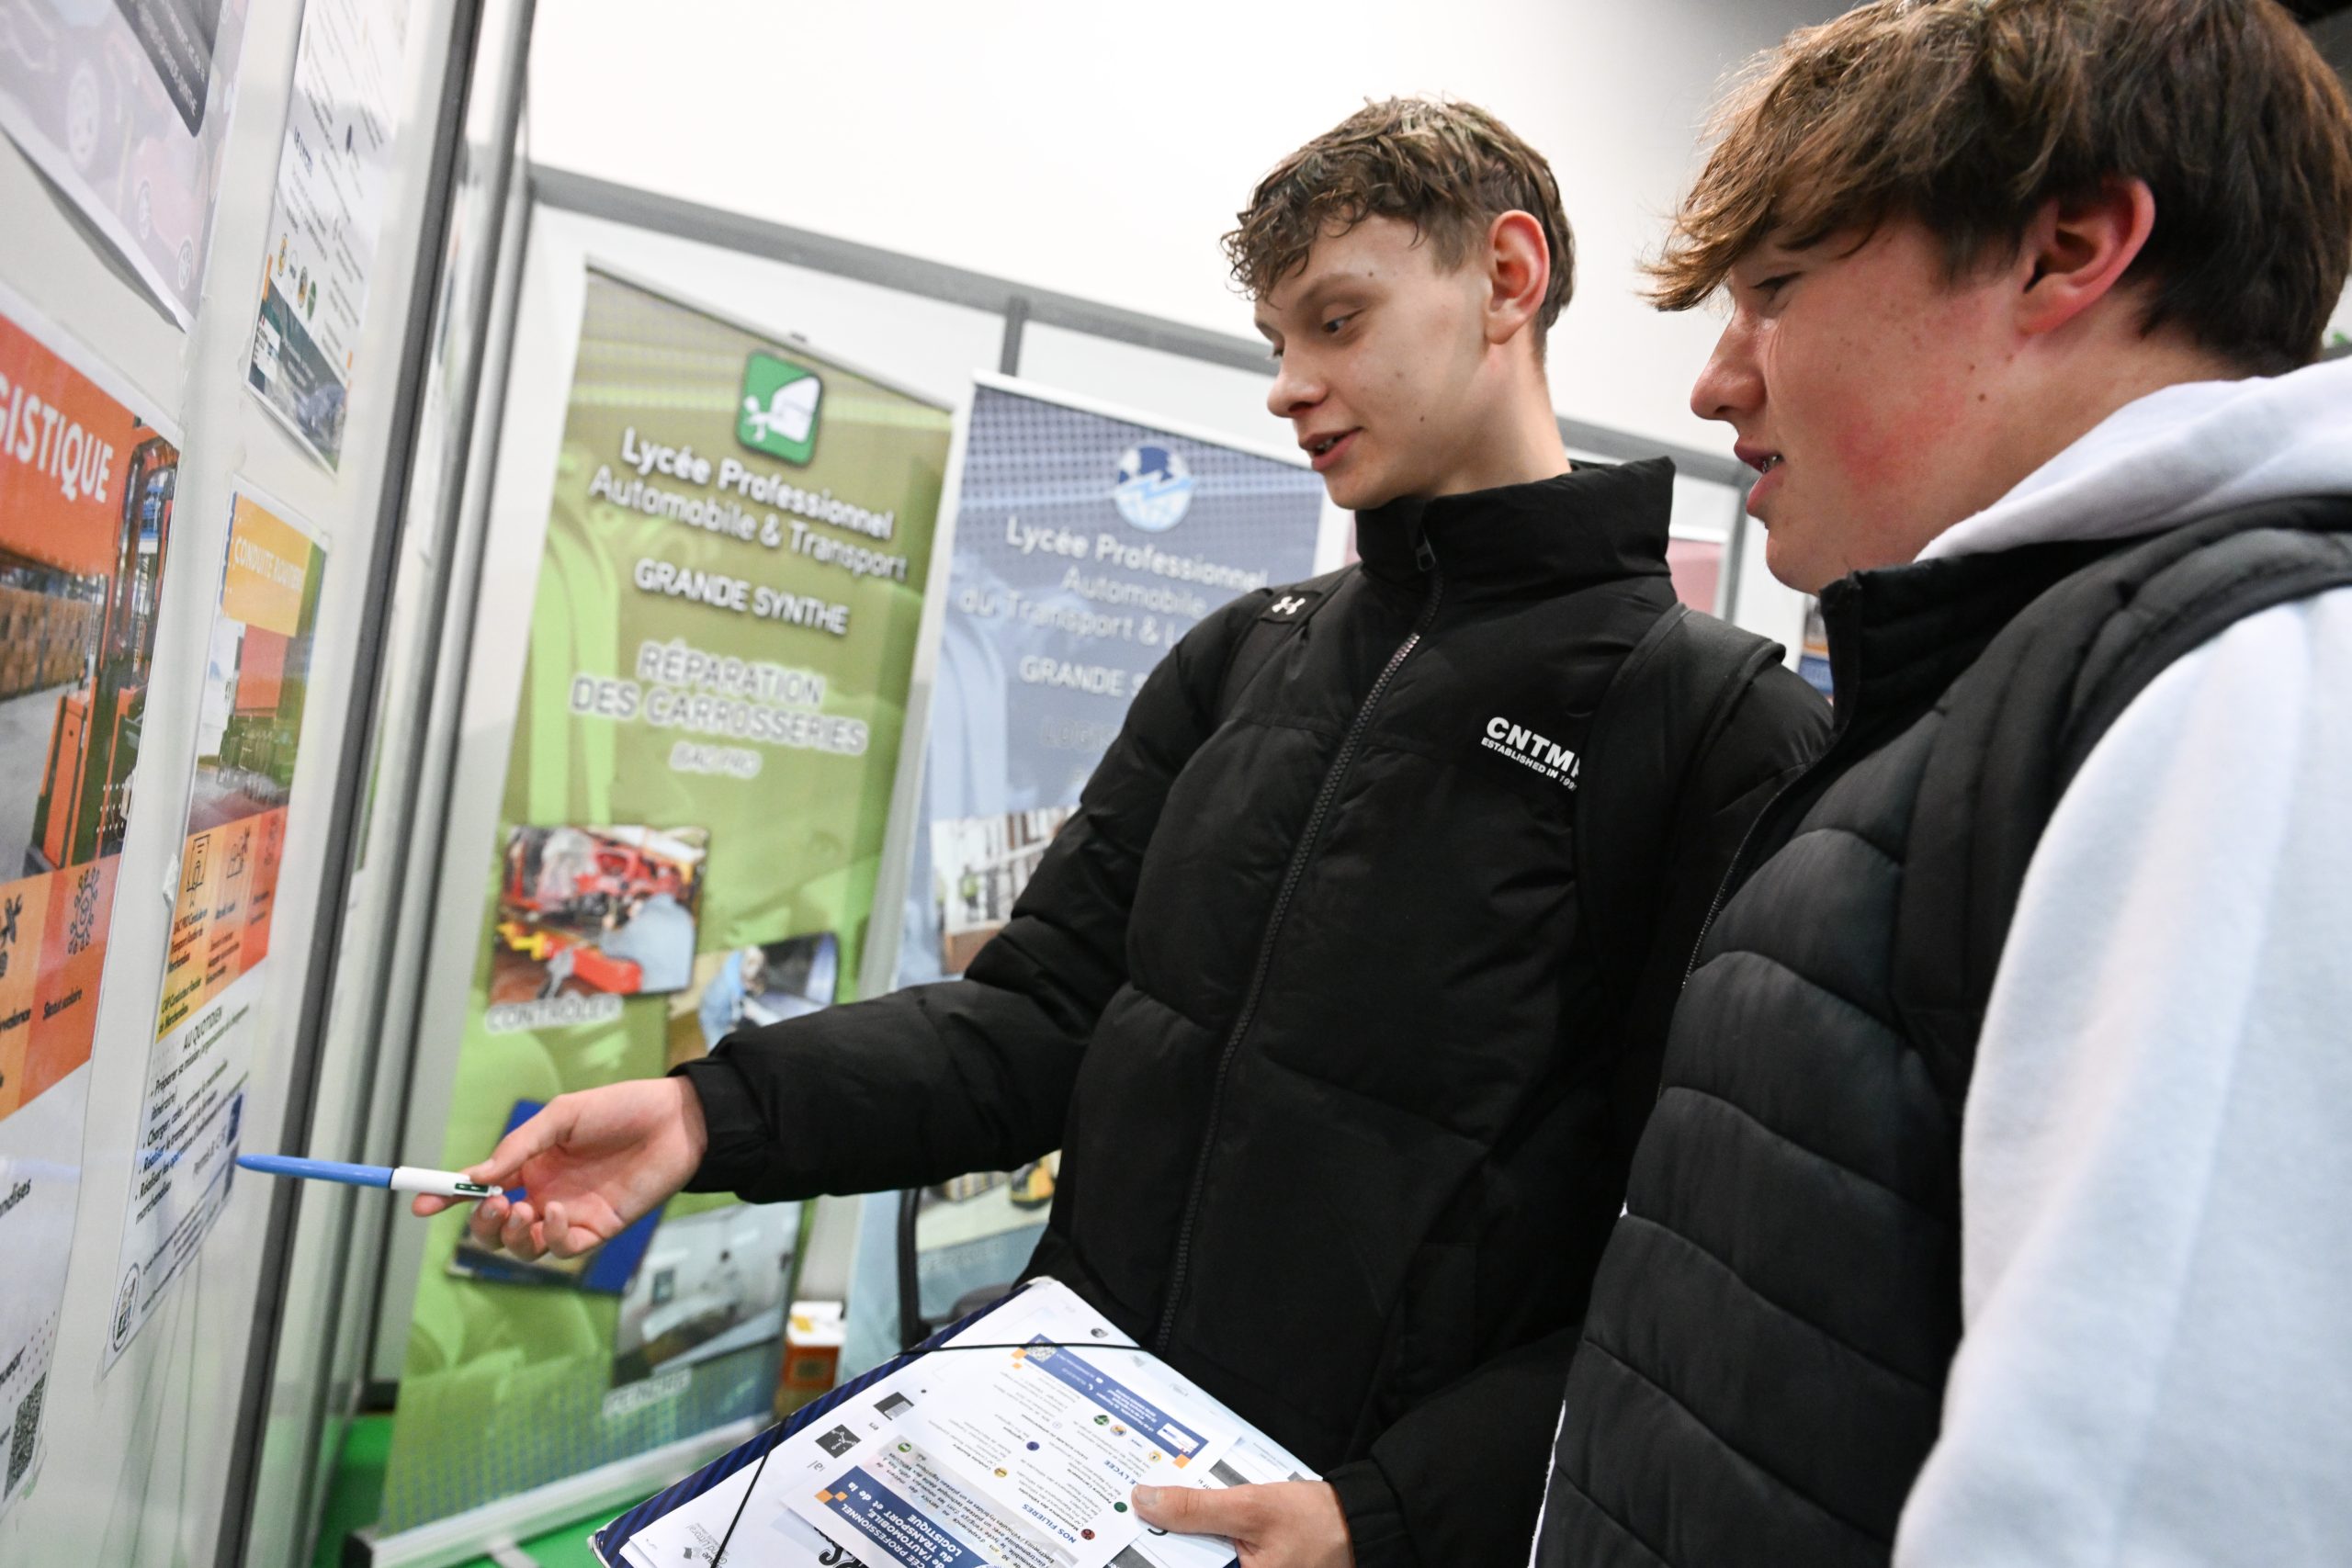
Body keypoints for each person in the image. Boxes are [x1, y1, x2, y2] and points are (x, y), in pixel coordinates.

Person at [424, 97, 1828, 1566]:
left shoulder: (1713, 730)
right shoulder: (1246, 657)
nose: (1289, 388)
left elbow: (1698, 1271)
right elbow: (1035, 1022)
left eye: (1337, 321)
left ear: (1508, 278)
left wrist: (1391, 1515)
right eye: (1276, 341)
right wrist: (712, 1114)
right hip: (1062, 1467)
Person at [1530, 4, 2352, 1564]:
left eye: (1776, 291)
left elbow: (2142, 1511)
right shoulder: (2001, 692)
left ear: (2068, 251)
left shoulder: (2249, 682)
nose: (1716, 386)